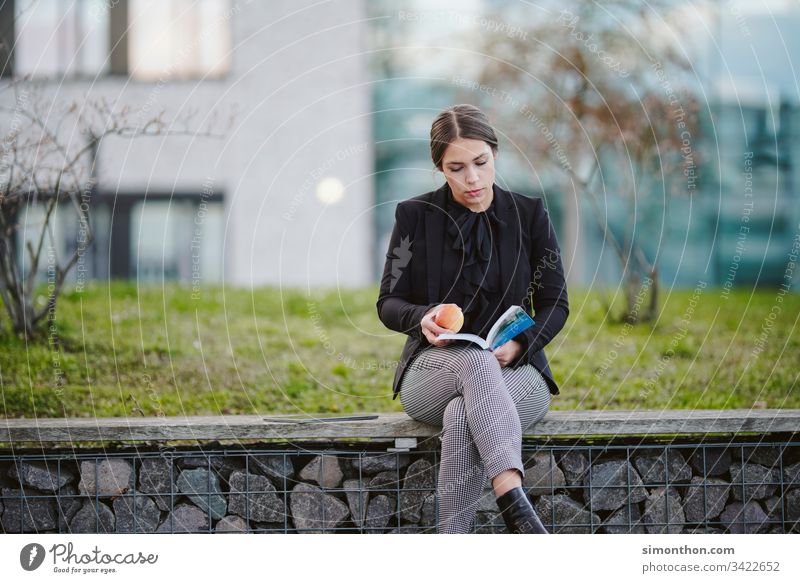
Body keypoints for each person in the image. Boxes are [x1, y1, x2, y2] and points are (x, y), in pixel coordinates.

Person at [376, 104, 569, 534]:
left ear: (495, 154)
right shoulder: (414, 218)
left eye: (481, 163)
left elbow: (556, 303)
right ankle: (512, 497)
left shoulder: (531, 215)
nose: (473, 179)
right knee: (474, 361)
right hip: (434, 372)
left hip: (518, 372)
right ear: (440, 168)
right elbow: (388, 302)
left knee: (465, 414)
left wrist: (521, 345)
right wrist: (421, 316)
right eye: (457, 168)